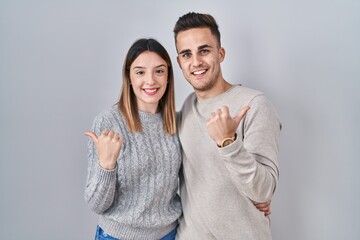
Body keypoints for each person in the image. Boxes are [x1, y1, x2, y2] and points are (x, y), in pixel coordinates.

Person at [173, 12, 281, 239]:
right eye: (186, 54)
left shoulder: (254, 105)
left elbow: (262, 191)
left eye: (204, 50)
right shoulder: (186, 109)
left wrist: (228, 143)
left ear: (220, 54)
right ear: (179, 62)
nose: (196, 62)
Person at [84, 38, 182, 240]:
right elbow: (96, 204)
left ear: (168, 77)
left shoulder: (175, 122)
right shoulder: (108, 122)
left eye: (159, 71)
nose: (151, 81)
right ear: (129, 77)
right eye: (140, 72)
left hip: (169, 235)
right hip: (119, 236)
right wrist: (106, 164)